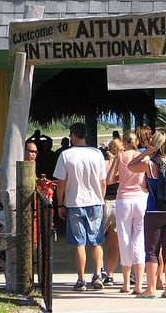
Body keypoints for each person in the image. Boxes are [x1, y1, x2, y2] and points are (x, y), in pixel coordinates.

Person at [127, 130, 166, 299]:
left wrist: (147, 153)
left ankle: (150, 289)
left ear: (154, 145)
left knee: (152, 252)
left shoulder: (150, 164)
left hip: (154, 212)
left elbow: (130, 166)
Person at [53, 122, 107, 292]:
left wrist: (60, 203)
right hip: (95, 201)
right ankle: (98, 275)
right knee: (96, 241)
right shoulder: (97, 154)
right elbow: (103, 181)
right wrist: (101, 198)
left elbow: (60, 183)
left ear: (74, 135)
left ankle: (81, 279)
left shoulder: (66, 155)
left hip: (74, 202)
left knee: (79, 243)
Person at [106, 131, 148, 295]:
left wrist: (120, 178)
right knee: (139, 239)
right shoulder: (143, 156)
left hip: (123, 200)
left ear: (124, 141)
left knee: (124, 239)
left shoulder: (120, 156)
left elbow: (109, 180)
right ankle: (138, 284)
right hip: (141, 199)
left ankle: (126, 284)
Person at [101, 139, 120, 287]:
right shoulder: (125, 165)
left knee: (98, 240)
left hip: (105, 203)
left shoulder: (104, 165)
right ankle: (110, 274)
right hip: (119, 203)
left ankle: (99, 269)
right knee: (114, 244)